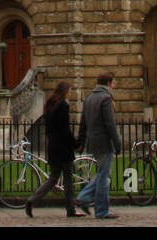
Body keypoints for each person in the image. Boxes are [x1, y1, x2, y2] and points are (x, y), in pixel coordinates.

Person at [25, 81, 87, 218]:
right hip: (63, 148)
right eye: (69, 90)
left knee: (53, 178)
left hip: (53, 146)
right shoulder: (63, 105)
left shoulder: (50, 104)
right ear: (65, 91)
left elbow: (50, 129)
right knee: (68, 181)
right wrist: (75, 144)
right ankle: (70, 209)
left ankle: (32, 200)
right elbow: (65, 130)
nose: (70, 93)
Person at [75, 73, 122, 220]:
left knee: (103, 173)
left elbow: (83, 123)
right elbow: (110, 124)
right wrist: (117, 142)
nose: (113, 86)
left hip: (92, 142)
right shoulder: (105, 98)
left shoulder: (89, 98)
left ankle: (85, 197)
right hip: (103, 143)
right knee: (104, 177)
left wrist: (81, 142)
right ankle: (101, 209)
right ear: (109, 83)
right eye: (113, 83)